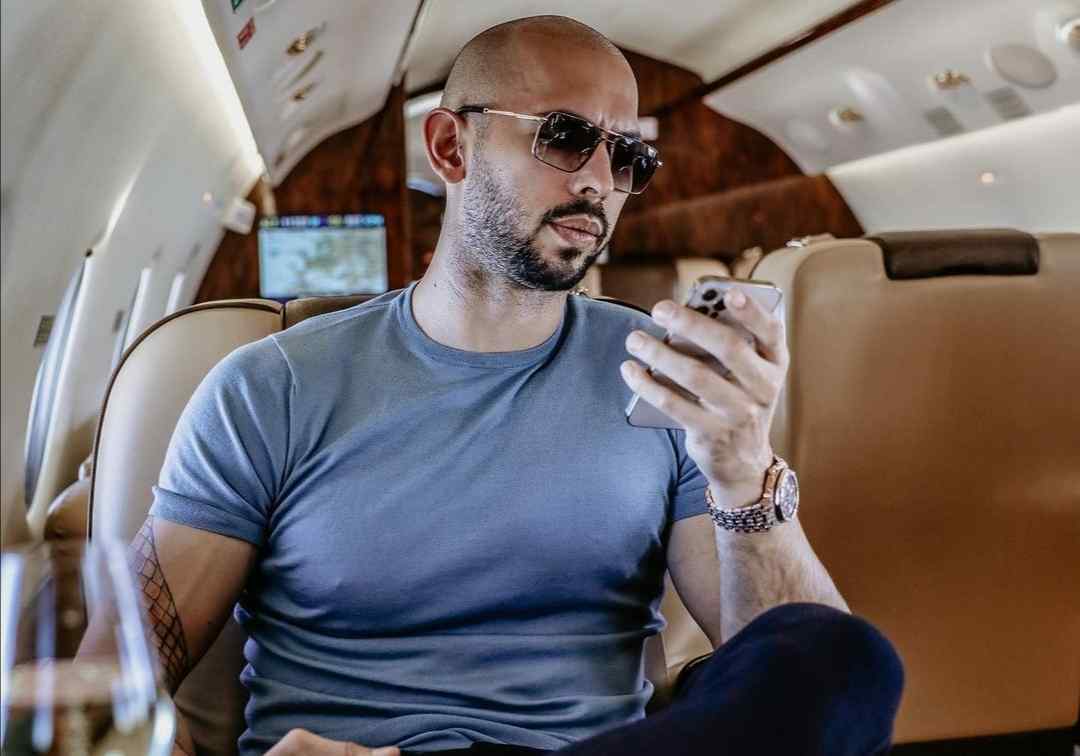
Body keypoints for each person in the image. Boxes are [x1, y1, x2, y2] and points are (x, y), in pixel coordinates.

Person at [132, 15, 903, 756]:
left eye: (627, 158)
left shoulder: (665, 379)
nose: (600, 181)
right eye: (564, 137)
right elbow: (117, 680)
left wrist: (741, 467)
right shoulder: (270, 387)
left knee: (845, 657)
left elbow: (783, 677)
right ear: (450, 146)